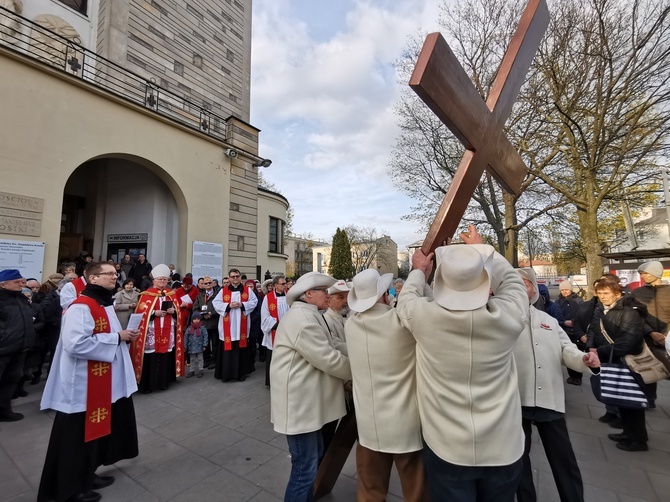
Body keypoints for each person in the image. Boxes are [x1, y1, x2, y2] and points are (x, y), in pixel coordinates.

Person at [396, 225, 528, 501]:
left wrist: (419, 270)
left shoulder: (424, 317)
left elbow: (406, 299)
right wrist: (483, 249)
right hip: (503, 445)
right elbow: (514, 283)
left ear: (442, 281)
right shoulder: (509, 315)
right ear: (485, 281)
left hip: (447, 446)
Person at [37, 262, 139, 502]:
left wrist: (123, 337)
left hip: (101, 382)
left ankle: (87, 473)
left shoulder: (103, 303)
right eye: (110, 274)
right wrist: (116, 337)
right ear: (93, 279)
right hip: (82, 386)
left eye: (115, 273)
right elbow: (75, 344)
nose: (115, 277)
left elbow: (106, 336)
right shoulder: (81, 307)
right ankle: (69, 489)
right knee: (76, 439)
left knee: (95, 435)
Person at [514, 268, 599, 502]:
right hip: (516, 401)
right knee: (519, 463)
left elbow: (565, 349)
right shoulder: (501, 319)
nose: (520, 287)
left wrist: (583, 359)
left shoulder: (549, 320)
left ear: (533, 288)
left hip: (548, 400)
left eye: (524, 283)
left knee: (564, 460)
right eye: (513, 283)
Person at [345, 269, 426, 501]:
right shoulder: (400, 323)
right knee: (416, 491)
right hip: (405, 425)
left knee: (370, 491)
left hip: (368, 426)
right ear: (383, 295)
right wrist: (420, 275)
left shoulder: (351, 326)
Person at [270, 272, 351, 501]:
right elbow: (328, 359)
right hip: (300, 406)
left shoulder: (310, 315)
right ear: (308, 295)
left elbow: (332, 344)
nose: (328, 295)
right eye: (324, 291)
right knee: (304, 471)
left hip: (307, 404)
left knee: (311, 462)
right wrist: (360, 368)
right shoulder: (304, 320)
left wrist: (358, 348)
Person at [587, 276, 649, 451]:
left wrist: (601, 350)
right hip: (611, 358)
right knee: (621, 398)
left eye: (606, 293)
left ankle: (639, 439)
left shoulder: (629, 311)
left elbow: (628, 341)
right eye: (600, 293)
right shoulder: (601, 309)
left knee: (633, 401)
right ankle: (627, 431)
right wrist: (591, 347)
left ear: (617, 293)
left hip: (626, 360)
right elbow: (593, 328)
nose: (603, 296)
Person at [132, 264, 184, 393]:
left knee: (166, 354)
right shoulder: (146, 294)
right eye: (160, 279)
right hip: (151, 330)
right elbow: (140, 313)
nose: (162, 282)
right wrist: (154, 313)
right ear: (154, 280)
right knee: (151, 355)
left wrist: (174, 311)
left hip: (167, 328)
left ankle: (164, 382)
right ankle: (148, 384)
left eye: (165, 280)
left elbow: (179, 312)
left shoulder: (171, 294)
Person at [631, 260, 670, 408]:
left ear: (656, 272)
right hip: (645, 338)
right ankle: (648, 399)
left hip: (668, 338)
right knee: (647, 370)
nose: (643, 276)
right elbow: (635, 316)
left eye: (646, 272)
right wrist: (651, 332)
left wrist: (667, 334)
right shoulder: (637, 293)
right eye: (641, 273)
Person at [0, 269, 36, 422]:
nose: (21, 284)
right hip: (3, 349)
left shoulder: (21, 298)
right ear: (3, 284)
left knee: (10, 382)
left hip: (20, 348)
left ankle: (4, 411)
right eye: (17, 281)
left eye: (22, 281)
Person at [212, 269, 258, 382]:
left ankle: (240, 374)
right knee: (227, 349)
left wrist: (242, 304)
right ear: (229, 278)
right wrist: (228, 306)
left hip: (241, 326)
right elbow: (216, 303)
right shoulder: (223, 291)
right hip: (227, 326)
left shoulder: (247, 290)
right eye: (233, 277)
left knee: (241, 349)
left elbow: (254, 302)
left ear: (240, 277)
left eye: (237, 276)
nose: (235, 278)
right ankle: (226, 374)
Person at [260, 275, 289, 386]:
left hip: (287, 331)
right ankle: (272, 382)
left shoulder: (289, 296)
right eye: (283, 284)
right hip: (274, 330)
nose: (285, 285)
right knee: (273, 357)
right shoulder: (268, 298)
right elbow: (265, 315)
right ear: (276, 285)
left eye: (285, 283)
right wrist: (276, 325)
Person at [556, 281, 585, 385]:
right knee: (568, 354)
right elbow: (556, 314)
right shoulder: (557, 302)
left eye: (566, 289)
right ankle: (571, 376)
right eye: (562, 290)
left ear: (571, 289)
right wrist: (563, 321)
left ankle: (578, 377)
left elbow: (582, 315)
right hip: (564, 330)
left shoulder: (578, 301)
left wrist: (573, 321)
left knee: (577, 354)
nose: (564, 292)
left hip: (576, 331)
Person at [192, 276, 220, 369]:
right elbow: (195, 308)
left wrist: (211, 314)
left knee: (215, 344)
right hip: (204, 324)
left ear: (212, 283)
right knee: (205, 344)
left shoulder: (217, 295)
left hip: (214, 323)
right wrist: (202, 315)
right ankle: (206, 360)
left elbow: (220, 307)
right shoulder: (200, 296)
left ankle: (214, 360)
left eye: (209, 283)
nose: (208, 285)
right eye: (205, 283)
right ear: (202, 285)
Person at [323, 280, 350, 351]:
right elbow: (337, 347)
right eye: (341, 297)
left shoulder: (347, 317)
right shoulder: (326, 322)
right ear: (329, 301)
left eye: (347, 297)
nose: (346, 301)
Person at [184, 312, 208, 378]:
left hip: (200, 346)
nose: (196, 320)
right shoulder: (189, 329)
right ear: (192, 320)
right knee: (192, 359)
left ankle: (200, 370)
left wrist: (204, 345)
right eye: (195, 319)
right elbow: (186, 337)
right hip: (191, 346)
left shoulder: (202, 328)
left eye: (198, 319)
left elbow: (205, 336)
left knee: (200, 358)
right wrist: (185, 346)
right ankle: (192, 370)